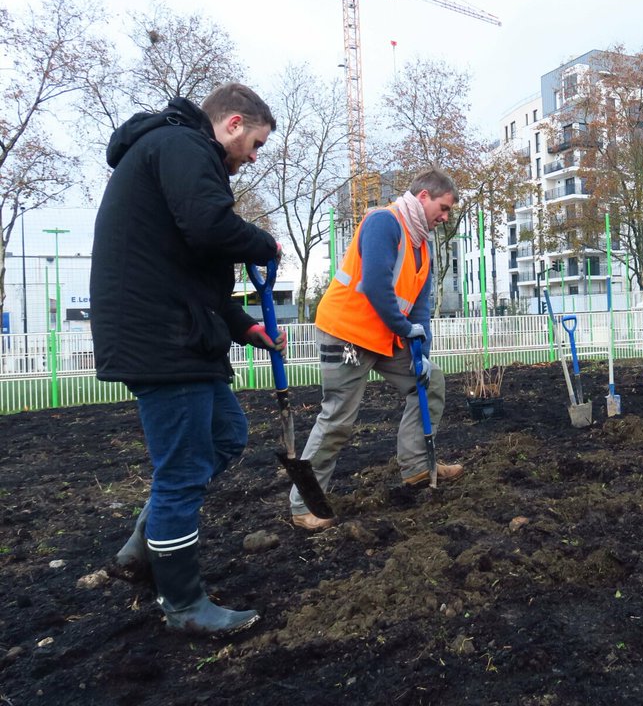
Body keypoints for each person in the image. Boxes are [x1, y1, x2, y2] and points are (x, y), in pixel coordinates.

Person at [92, 83, 285, 636]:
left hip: (180, 330)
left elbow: (187, 268)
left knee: (225, 435)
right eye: (255, 144)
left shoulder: (173, 154)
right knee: (180, 472)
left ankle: (141, 547)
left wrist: (244, 327)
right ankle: (182, 603)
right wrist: (261, 242)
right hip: (162, 339)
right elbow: (210, 228)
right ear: (231, 124)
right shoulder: (182, 147)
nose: (252, 157)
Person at [289, 166, 464, 532]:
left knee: (429, 381)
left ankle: (417, 467)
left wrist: (422, 349)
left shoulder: (422, 246)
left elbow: (418, 308)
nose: (445, 218)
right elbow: (375, 286)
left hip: (385, 336)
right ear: (423, 198)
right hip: (347, 334)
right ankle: (305, 505)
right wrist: (405, 329)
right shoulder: (384, 223)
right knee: (338, 419)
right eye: (444, 208)